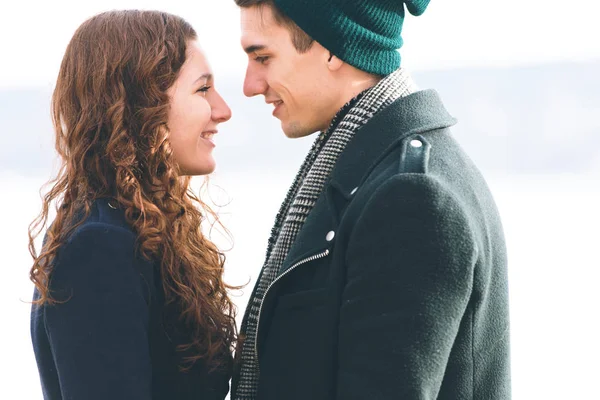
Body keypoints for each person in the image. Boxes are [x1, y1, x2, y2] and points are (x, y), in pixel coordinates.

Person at [231, 1, 511, 399]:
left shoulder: (412, 197)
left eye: (263, 57)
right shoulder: (375, 172)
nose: (250, 85)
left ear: (332, 47)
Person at [28, 10, 237, 400]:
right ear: (143, 104)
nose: (223, 110)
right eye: (203, 90)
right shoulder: (98, 246)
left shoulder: (135, 227)